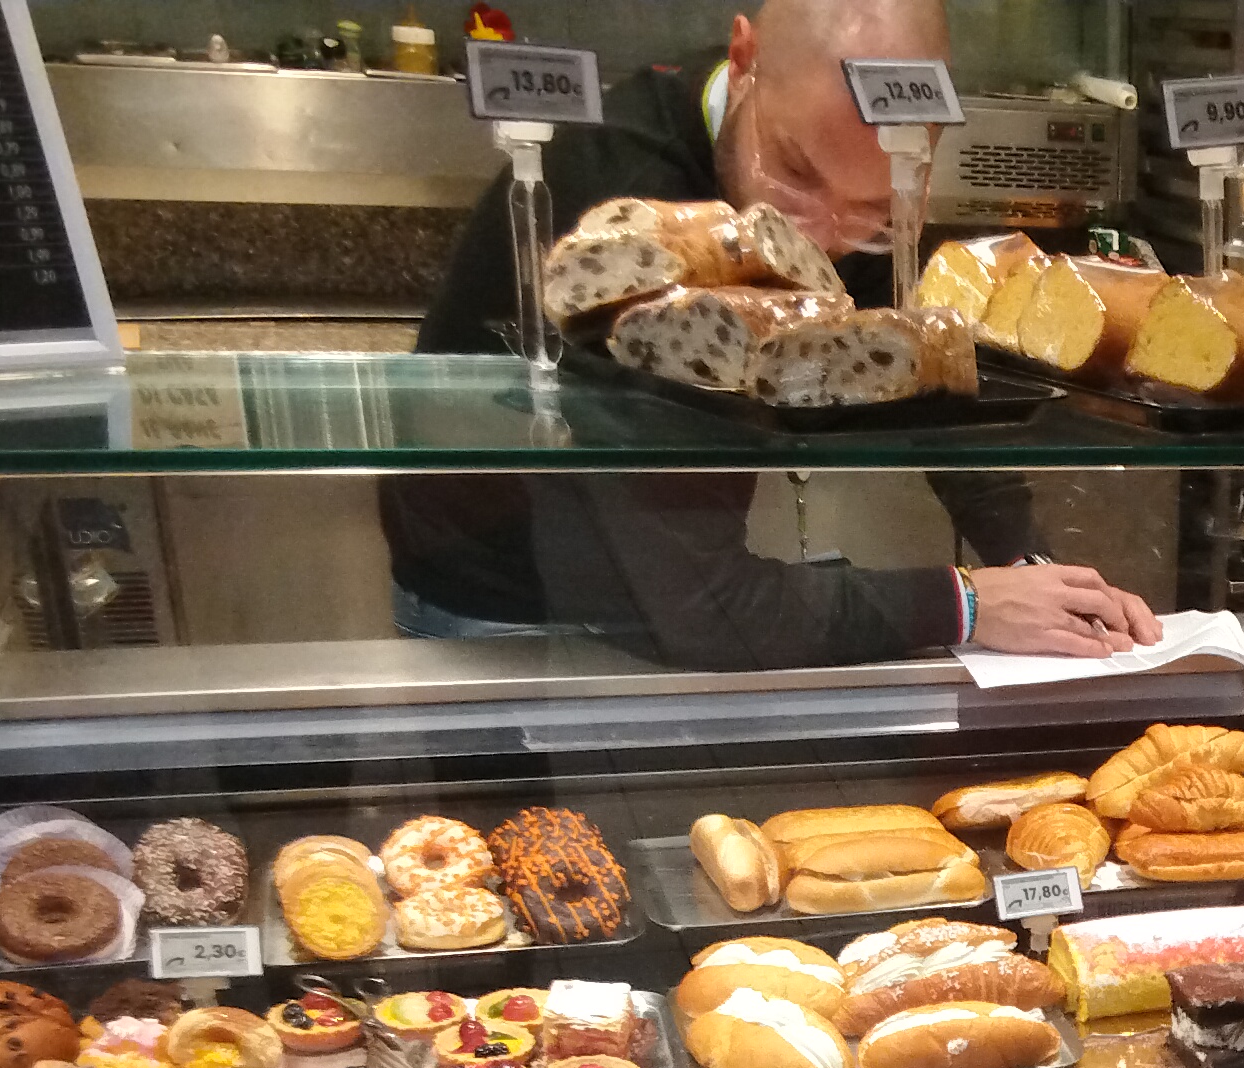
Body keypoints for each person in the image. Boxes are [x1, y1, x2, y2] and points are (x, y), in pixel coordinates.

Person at [381, 0, 1159, 666]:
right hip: (504, 595)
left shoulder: (853, 170)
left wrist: (1032, 564)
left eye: (873, 212)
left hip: (665, 594)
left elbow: (916, 369)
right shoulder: (627, 210)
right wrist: (968, 604)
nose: (825, 235)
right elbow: (707, 607)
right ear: (744, 58)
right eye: (795, 172)